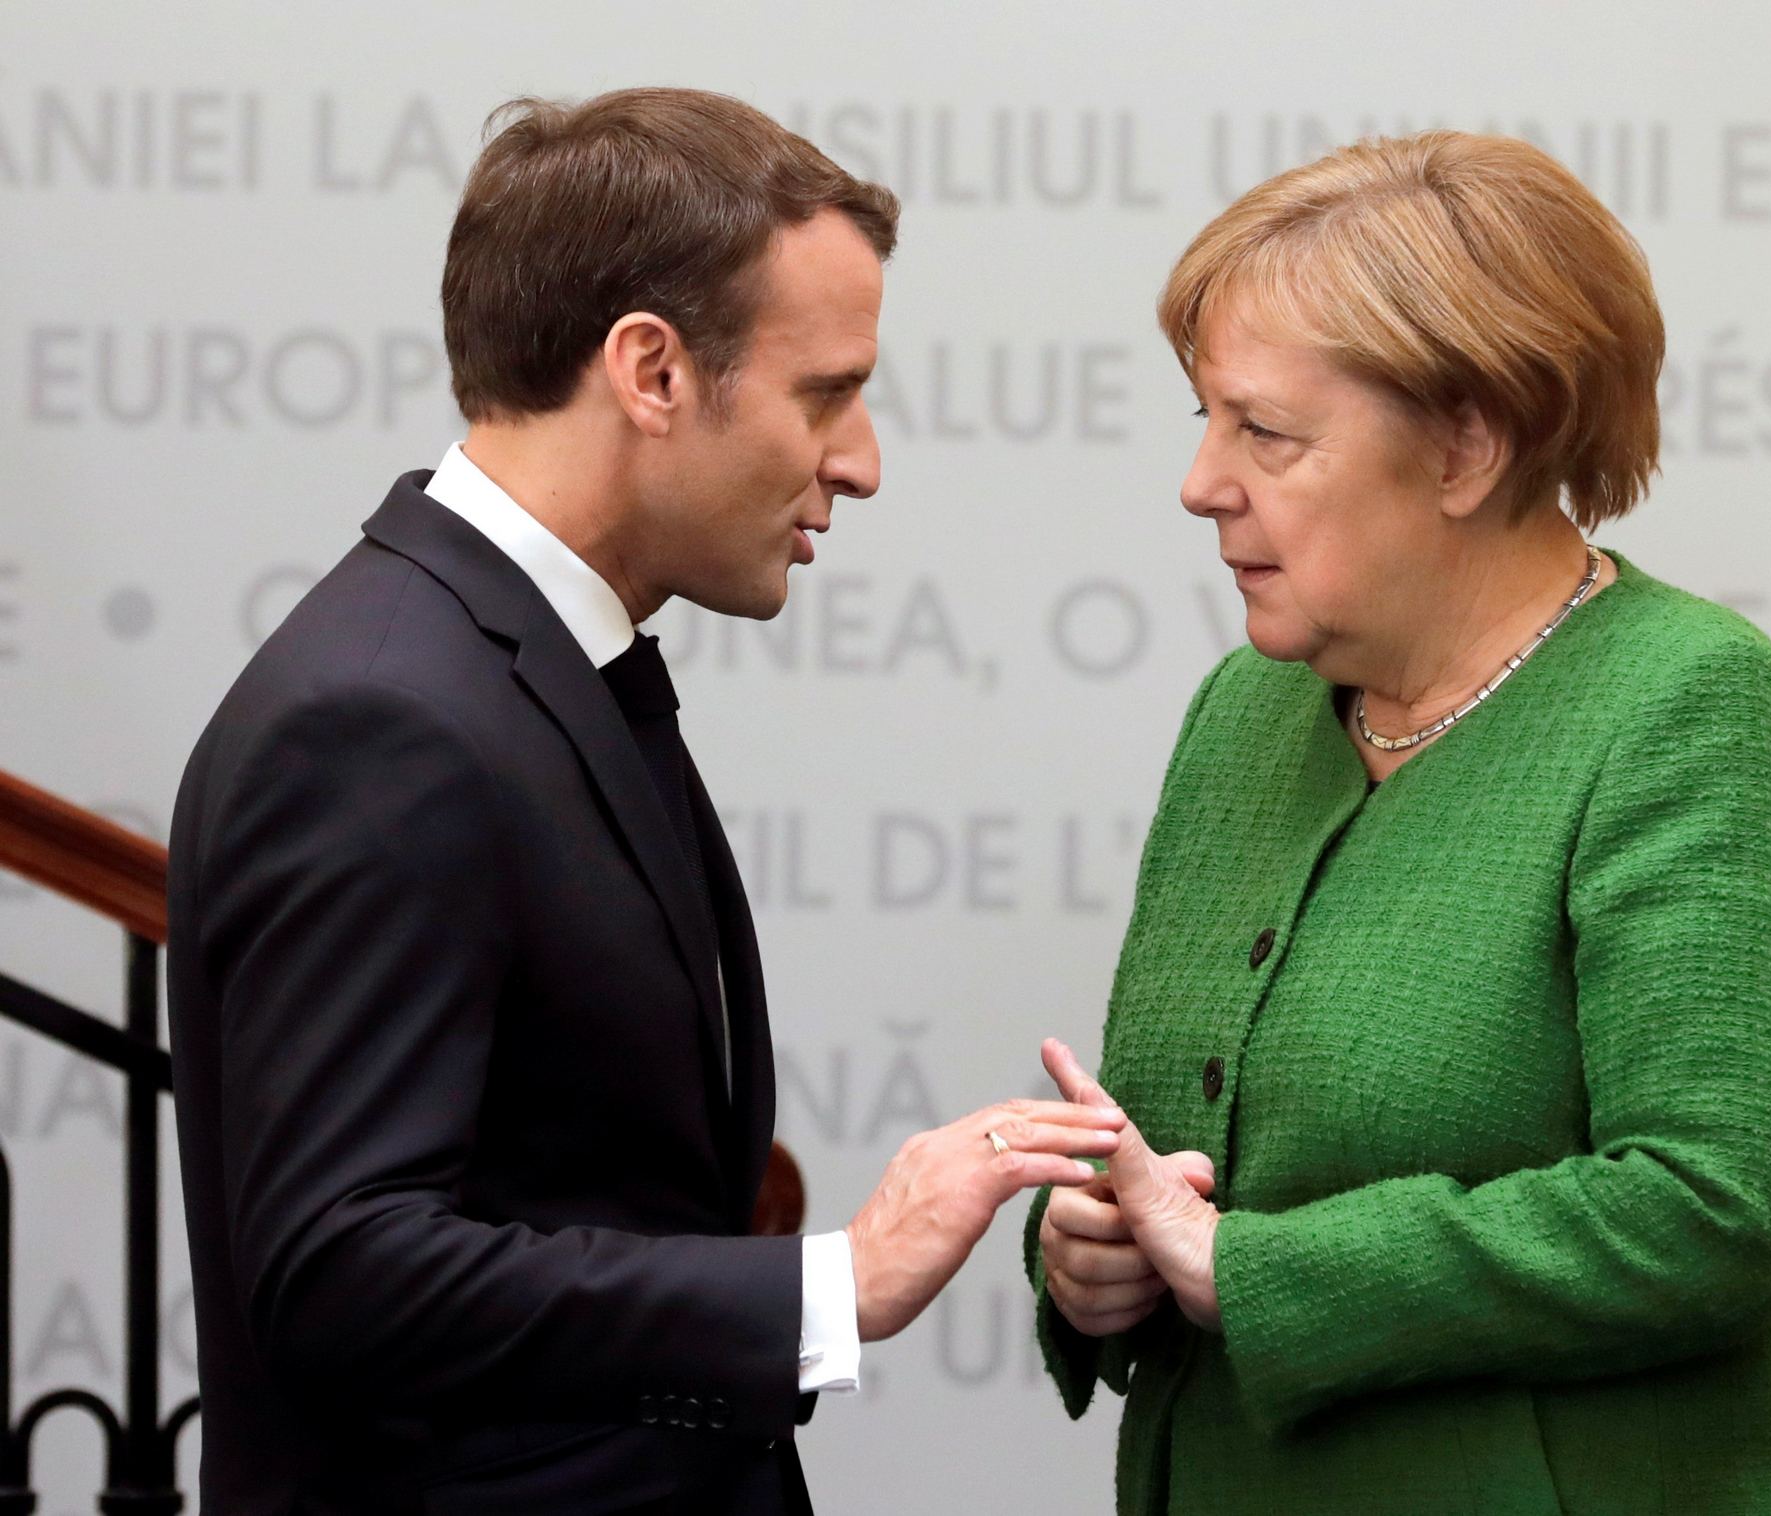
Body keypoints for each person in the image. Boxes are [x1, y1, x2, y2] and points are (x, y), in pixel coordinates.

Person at [166, 88, 1124, 1516]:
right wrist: (835, 1282)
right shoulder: (381, 717)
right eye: (826, 392)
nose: (860, 459)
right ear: (653, 372)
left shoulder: (511, 662)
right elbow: (340, 1269)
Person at [1026, 130, 1771, 1515]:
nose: (1201, 481)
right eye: (1202, 418)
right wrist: (1092, 1260)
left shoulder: (1694, 710)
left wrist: (1244, 1271)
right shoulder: (1246, 713)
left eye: (1263, 430)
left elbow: (1716, 1215)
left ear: (1465, 447)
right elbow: (1186, 1148)